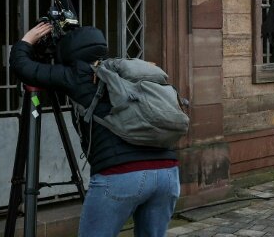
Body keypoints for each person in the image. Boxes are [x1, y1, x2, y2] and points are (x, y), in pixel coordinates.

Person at [9, 22, 180, 237]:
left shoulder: (76, 74)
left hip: (120, 174)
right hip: (167, 172)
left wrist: (27, 41)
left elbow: (22, 67)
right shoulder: (121, 69)